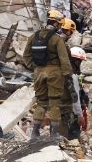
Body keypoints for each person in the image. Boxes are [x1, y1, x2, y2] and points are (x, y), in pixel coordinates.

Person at [23, 10, 73, 138]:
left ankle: (35, 132)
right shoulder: (57, 39)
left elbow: (26, 56)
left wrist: (35, 68)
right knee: (55, 103)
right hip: (55, 73)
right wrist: (67, 75)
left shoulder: (34, 36)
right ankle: (55, 134)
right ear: (57, 23)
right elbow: (64, 60)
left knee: (41, 102)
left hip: (39, 73)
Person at [61, 46, 90, 140]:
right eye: (79, 61)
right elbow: (75, 98)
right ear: (75, 61)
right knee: (70, 140)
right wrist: (80, 115)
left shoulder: (59, 72)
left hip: (57, 111)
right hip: (69, 114)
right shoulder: (72, 77)